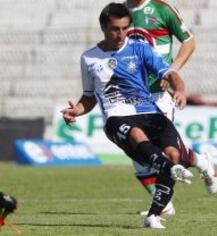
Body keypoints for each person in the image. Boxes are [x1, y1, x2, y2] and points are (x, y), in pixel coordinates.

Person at [62, 3, 203, 229]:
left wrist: (180, 89)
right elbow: (88, 97)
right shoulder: (89, 58)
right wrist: (76, 111)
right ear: (103, 28)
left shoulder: (140, 48)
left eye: (125, 28)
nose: (121, 34)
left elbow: (170, 73)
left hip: (148, 111)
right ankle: (169, 168)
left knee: (173, 154)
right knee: (138, 135)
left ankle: (154, 216)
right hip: (116, 117)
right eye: (115, 29)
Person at [125, 0, 217, 215]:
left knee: (165, 152)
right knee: (138, 152)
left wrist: (171, 72)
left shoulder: (162, 9)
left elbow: (189, 42)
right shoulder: (120, 13)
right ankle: (165, 204)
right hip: (132, 95)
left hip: (158, 95)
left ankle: (202, 163)